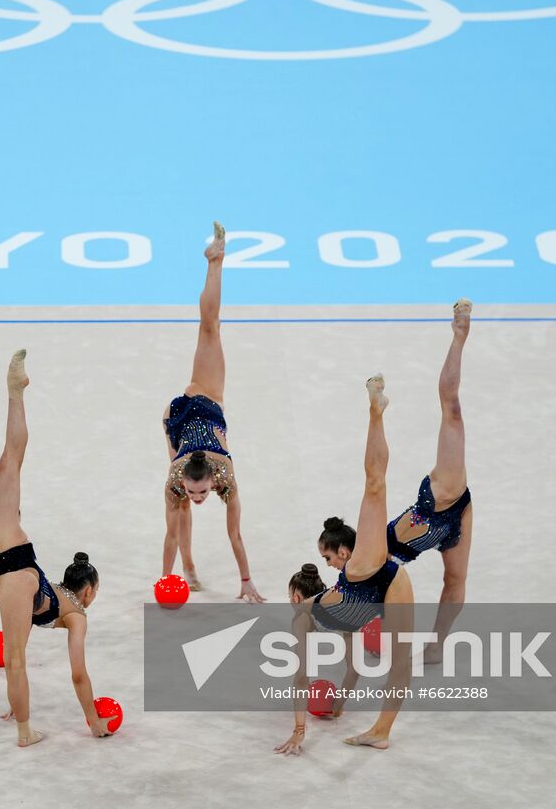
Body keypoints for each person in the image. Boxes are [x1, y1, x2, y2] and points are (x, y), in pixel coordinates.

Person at [317, 300, 474, 662]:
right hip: (450, 509)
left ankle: (458, 337)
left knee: (452, 409)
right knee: (455, 581)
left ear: (342, 550)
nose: (330, 564)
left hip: (441, 506)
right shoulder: (361, 569)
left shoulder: (361, 562)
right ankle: (435, 647)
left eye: (328, 557)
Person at [276, 375, 414, 754]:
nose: (328, 563)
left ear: (294, 594)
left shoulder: (310, 609)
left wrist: (299, 731)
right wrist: (340, 703)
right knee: (401, 661)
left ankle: (376, 412)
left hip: (368, 578)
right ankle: (382, 731)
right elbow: (352, 667)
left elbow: (301, 677)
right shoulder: (330, 609)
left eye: (327, 556)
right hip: (392, 579)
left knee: (375, 486)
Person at [0, 350, 112, 747]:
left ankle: (16, 394)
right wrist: (93, 721)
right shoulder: (76, 615)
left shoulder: (62, 599)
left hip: (16, 571)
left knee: (11, 461)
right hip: (14, 572)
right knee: (11, 460)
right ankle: (23, 728)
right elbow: (78, 673)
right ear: (88, 590)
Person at [162, 222, 265, 602]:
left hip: (199, 399)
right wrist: (164, 579)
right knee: (178, 513)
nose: (200, 495)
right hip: (176, 423)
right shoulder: (177, 476)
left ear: (213, 481)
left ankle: (215, 262)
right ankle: (187, 569)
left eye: (202, 491)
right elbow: (170, 533)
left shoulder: (226, 474)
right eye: (196, 490)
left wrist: (245, 581)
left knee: (210, 329)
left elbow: (234, 534)